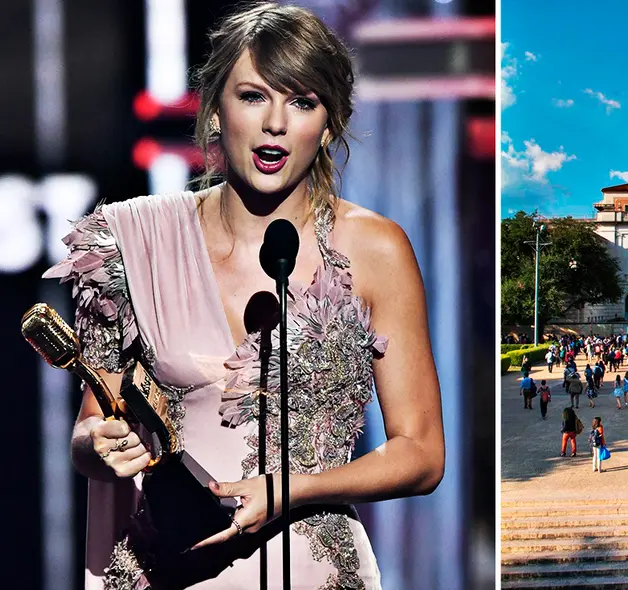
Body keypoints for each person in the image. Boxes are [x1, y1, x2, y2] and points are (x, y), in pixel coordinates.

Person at [47, 5, 446, 587]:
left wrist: (288, 492)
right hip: (165, 567)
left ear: (329, 124)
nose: (276, 124)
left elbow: (422, 452)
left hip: (310, 569)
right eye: (254, 96)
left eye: (303, 102)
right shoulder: (134, 243)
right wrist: (97, 445)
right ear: (215, 110)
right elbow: (91, 427)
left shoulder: (375, 250)